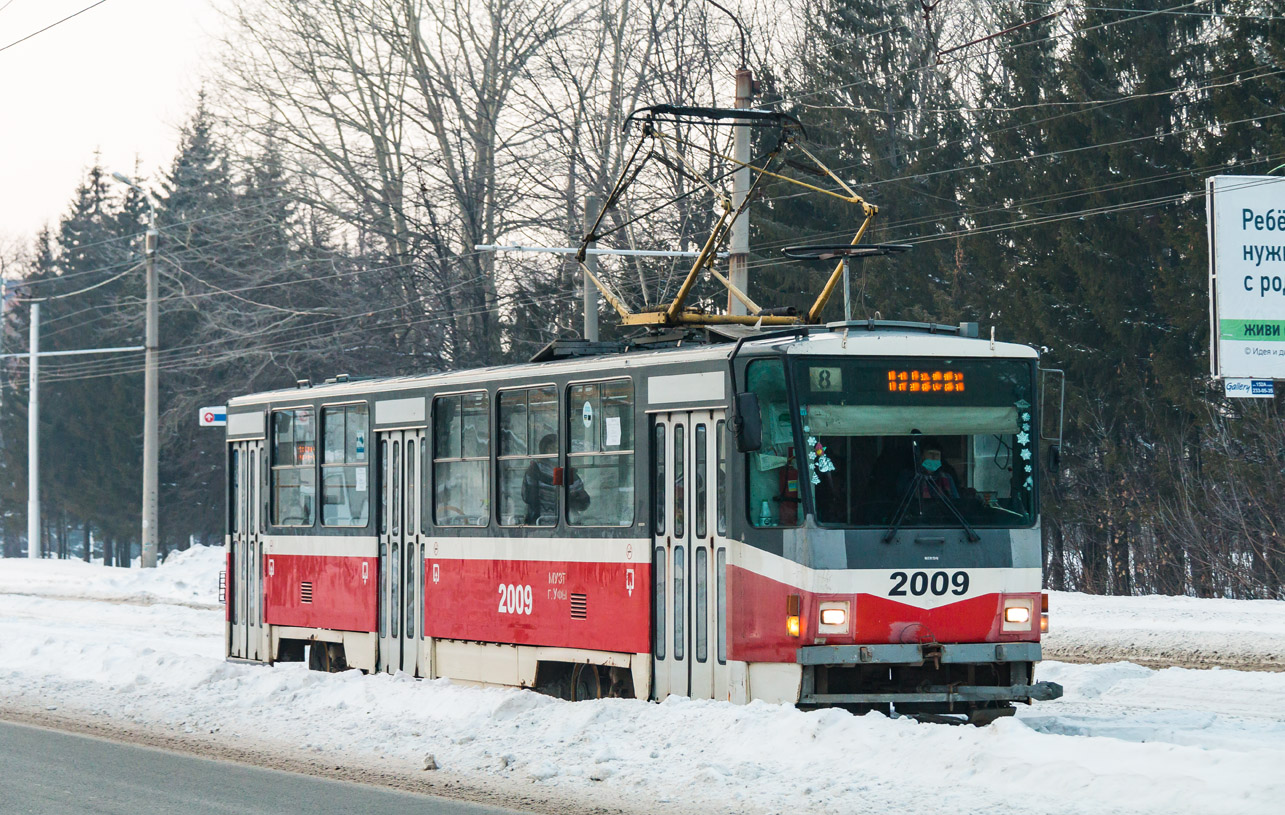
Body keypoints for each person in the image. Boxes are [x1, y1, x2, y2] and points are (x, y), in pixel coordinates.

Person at [522, 434, 590, 524]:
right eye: (552, 448)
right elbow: (529, 498)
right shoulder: (535, 469)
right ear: (544, 450)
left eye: (559, 448)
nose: (557, 451)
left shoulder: (568, 472)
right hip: (540, 522)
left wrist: (576, 497)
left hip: (567, 521)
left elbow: (582, 504)